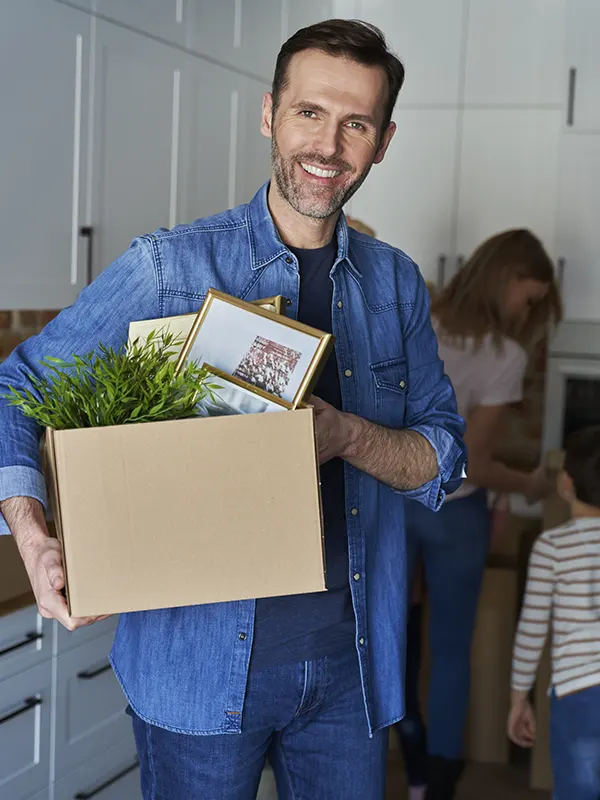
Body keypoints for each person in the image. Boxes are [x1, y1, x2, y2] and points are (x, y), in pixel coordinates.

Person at [0, 19, 467, 800]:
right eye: (309, 113)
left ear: (382, 141)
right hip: (198, 670)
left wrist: (343, 433)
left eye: (355, 123)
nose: (328, 144)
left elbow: (441, 459)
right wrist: (31, 529)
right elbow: (19, 388)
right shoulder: (169, 267)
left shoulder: (396, 285)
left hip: (352, 673)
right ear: (269, 115)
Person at [396, 228, 562, 800]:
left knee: (390, 639)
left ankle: (410, 770)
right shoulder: (504, 356)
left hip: (390, 499)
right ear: (507, 280)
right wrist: (532, 484)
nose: (529, 309)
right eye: (531, 296)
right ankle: (438, 784)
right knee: (450, 650)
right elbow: (473, 465)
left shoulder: (418, 318)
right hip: (451, 512)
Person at [508, 426, 600, 800]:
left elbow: (531, 631)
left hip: (578, 694)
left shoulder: (552, 547)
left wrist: (518, 699)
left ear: (566, 482)